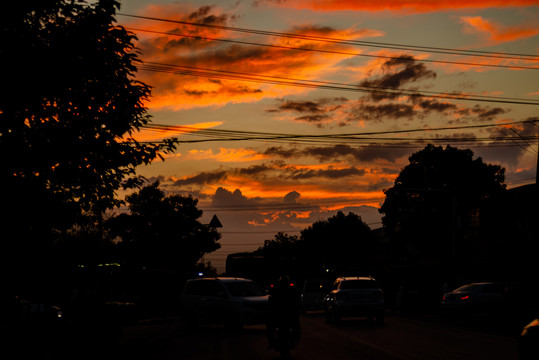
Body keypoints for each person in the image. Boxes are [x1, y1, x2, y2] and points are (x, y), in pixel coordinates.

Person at [266, 275, 301, 352]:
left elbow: (296, 303)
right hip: (282, 315)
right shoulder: (288, 291)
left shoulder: (288, 291)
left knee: (270, 326)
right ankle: (272, 342)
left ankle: (272, 342)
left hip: (285, 315)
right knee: (270, 326)